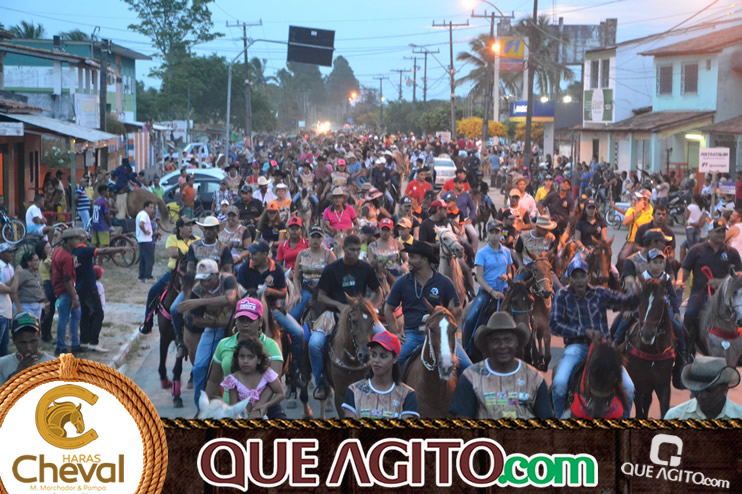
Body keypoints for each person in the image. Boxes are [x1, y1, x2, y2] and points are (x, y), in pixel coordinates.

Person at [550, 258, 639, 418]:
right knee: (559, 384)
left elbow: (627, 303)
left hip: (603, 348)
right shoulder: (562, 295)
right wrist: (583, 332)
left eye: (582, 276)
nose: (579, 280)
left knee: (629, 388)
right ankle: (559, 420)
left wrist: (635, 287)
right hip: (576, 347)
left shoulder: (600, 293)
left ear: (588, 277)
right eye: (575, 276)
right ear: (569, 279)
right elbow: (555, 325)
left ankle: (625, 425)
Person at [310, 235, 383, 400]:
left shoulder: (365, 268)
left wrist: (371, 307)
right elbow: (321, 296)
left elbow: (378, 291)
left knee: (386, 338)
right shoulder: (332, 269)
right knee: (315, 344)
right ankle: (321, 382)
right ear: (344, 249)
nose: (355, 253)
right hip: (334, 313)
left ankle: (387, 380)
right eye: (351, 250)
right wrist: (338, 304)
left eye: (358, 250)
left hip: (361, 314)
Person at [384, 240, 470, 370]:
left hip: (441, 334)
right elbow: (388, 308)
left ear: (424, 260)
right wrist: (395, 332)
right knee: (393, 364)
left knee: (467, 367)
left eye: (412, 257)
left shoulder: (444, 282)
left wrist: (447, 327)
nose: (408, 261)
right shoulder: (402, 282)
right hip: (413, 334)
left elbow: (458, 308)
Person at [450, 312, 551, 419]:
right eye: (496, 341)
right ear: (488, 344)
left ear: (517, 343)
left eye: (508, 340)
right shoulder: (470, 378)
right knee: (472, 316)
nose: (502, 346)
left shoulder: (534, 379)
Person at [237, 239, 306, 386]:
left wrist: (268, 291)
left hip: (272, 309)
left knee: (298, 333)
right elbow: (239, 290)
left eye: (255, 254)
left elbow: (283, 293)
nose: (251, 257)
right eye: (251, 254)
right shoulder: (244, 268)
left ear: (265, 254)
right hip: (248, 310)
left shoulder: (277, 270)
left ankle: (296, 369)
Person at [205, 297, 286, 418]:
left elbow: (272, 383)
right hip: (231, 408)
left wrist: (257, 409)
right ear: (236, 321)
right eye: (241, 320)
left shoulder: (271, 345)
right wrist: (207, 409)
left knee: (297, 333)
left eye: (250, 320)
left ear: (260, 321)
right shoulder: (223, 344)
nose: (245, 324)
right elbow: (213, 381)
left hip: (266, 408)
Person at [177, 259, 238, 409]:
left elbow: (230, 298)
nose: (204, 283)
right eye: (201, 280)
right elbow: (196, 321)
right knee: (199, 367)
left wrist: (200, 302)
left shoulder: (228, 279)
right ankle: (201, 408)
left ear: (217, 275)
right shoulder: (196, 291)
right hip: (213, 327)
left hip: (239, 326)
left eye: (207, 279)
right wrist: (219, 324)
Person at [171, 215, 233, 358]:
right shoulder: (194, 247)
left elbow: (228, 270)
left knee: (237, 307)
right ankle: (180, 342)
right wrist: (192, 285)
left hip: (218, 286)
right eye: (206, 229)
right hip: (197, 286)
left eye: (212, 229)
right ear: (203, 230)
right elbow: (190, 268)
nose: (209, 231)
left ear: (217, 230)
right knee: (174, 309)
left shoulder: (224, 248)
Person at [678, 220, 742, 360]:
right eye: (718, 231)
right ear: (710, 232)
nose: (721, 234)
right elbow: (684, 270)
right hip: (700, 294)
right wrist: (679, 280)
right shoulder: (696, 250)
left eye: (723, 231)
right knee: (690, 315)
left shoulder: (732, 253)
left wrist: (721, 282)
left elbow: (739, 274)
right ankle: (686, 352)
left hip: (725, 297)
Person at [341, 331, 419, 419]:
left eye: (383, 356)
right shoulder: (354, 391)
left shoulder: (407, 394)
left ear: (395, 359)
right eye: (373, 355)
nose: (376, 360)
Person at [140, 217, 198, 334]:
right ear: (180, 228)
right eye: (187, 225)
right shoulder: (172, 238)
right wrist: (192, 254)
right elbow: (173, 253)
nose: (190, 227)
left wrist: (184, 254)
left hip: (193, 275)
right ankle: (148, 321)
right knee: (153, 291)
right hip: (174, 273)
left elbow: (183, 254)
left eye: (191, 225)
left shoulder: (197, 239)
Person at [462, 221, 512, 354]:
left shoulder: (507, 252)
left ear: (501, 234)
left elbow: (509, 272)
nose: (494, 236)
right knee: (470, 318)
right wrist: (492, 292)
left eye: (497, 232)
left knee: (524, 314)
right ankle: (467, 351)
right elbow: (479, 277)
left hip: (504, 291)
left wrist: (507, 277)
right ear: (488, 234)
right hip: (486, 292)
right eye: (492, 232)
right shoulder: (481, 253)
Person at [221, 337, 286, 419]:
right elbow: (233, 407)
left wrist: (265, 405)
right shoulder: (233, 379)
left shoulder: (266, 373)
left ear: (259, 360)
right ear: (237, 359)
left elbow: (280, 394)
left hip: (261, 416)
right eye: (242, 357)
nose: (245, 361)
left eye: (250, 357)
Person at [663, 356, 742, 419]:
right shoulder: (675, 416)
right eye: (696, 389)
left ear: (725, 388)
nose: (702, 395)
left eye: (708, 390)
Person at [290, 225, 336, 322]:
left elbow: (335, 276)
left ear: (322, 239)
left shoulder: (329, 254)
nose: (315, 240)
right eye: (313, 237)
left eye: (318, 237)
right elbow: (296, 277)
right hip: (307, 289)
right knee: (293, 315)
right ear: (308, 238)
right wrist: (298, 293)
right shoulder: (302, 254)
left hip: (324, 290)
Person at [51, 229, 84, 355]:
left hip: (60, 289)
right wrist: (74, 298)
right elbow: (67, 280)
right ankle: (61, 346)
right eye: (75, 239)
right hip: (67, 291)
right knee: (65, 318)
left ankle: (73, 343)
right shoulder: (67, 257)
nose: (78, 241)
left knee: (71, 317)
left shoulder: (57, 251)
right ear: (68, 241)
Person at [0, 313, 54, 385]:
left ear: (39, 336)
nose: (29, 348)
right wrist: (18, 375)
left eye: (33, 341)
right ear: (14, 340)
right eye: (23, 343)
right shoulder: (3, 364)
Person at [16, 251, 46, 320]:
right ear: (29, 262)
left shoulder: (37, 273)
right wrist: (18, 306)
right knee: (28, 326)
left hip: (38, 305)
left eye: (38, 260)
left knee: (36, 325)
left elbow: (41, 287)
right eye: (35, 260)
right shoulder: (23, 273)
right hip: (26, 305)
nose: (38, 262)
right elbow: (14, 289)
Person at [136, 201, 157, 282]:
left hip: (142, 240)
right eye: (150, 207)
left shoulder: (141, 214)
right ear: (146, 207)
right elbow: (141, 224)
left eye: (153, 208)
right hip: (146, 240)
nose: (152, 209)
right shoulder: (144, 215)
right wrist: (145, 231)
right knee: (149, 259)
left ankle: (141, 276)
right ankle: (148, 276)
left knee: (143, 259)